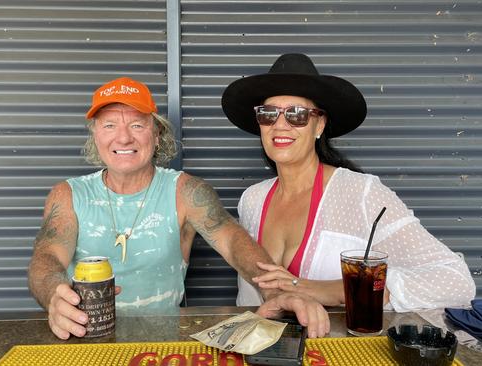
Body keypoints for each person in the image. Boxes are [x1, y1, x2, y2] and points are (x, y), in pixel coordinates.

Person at [27, 76, 330, 340]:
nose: (123, 137)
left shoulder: (185, 191)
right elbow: (47, 256)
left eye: (136, 124)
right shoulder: (68, 194)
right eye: (109, 125)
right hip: (84, 338)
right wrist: (55, 294)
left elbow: (233, 241)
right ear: (95, 134)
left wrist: (278, 293)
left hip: (164, 343)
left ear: (156, 135)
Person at [221, 53, 476, 311]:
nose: (280, 125)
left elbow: (455, 281)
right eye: (268, 114)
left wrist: (330, 290)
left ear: (319, 124)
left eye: (296, 114)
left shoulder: (361, 193)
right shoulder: (252, 199)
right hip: (261, 349)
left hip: (340, 350)